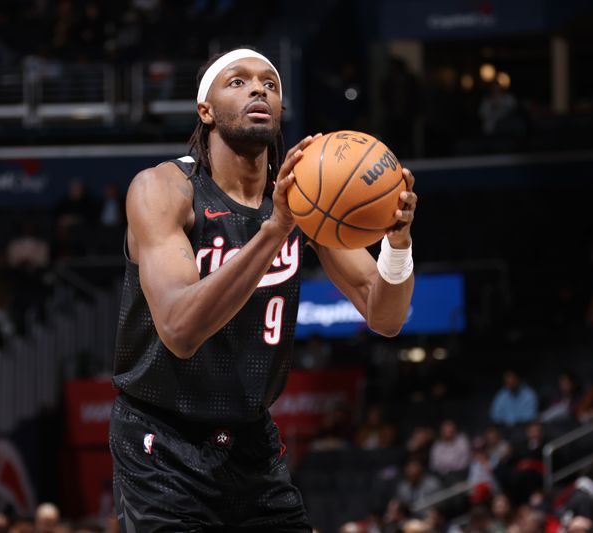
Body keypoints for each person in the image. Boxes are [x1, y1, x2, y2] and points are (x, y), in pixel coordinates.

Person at [110, 47, 418, 531]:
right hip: (162, 442)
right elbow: (178, 328)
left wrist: (397, 245)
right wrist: (274, 232)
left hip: (250, 440)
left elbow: (386, 316)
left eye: (270, 84)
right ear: (205, 110)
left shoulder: (302, 196)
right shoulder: (164, 189)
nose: (259, 89)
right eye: (238, 81)